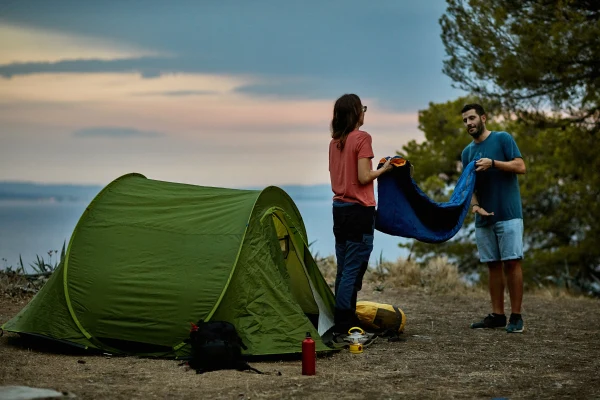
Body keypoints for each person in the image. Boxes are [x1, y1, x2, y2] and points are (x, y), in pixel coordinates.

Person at [328, 93, 392, 344]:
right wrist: (385, 169)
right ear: (356, 113)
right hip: (359, 211)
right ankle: (345, 323)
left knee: (344, 268)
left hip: (339, 210)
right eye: (362, 108)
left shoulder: (335, 143)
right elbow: (365, 177)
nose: (365, 112)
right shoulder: (362, 138)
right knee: (354, 269)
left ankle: (344, 318)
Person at [460, 103, 527, 333]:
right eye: (465, 121)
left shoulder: (502, 139)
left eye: (472, 118)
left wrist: (494, 163)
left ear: (483, 118)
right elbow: (468, 187)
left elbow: (521, 166)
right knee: (493, 266)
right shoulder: (467, 152)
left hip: (508, 214)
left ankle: (516, 317)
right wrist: (475, 206)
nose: (469, 123)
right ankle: (498, 315)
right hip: (484, 218)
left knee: (512, 262)